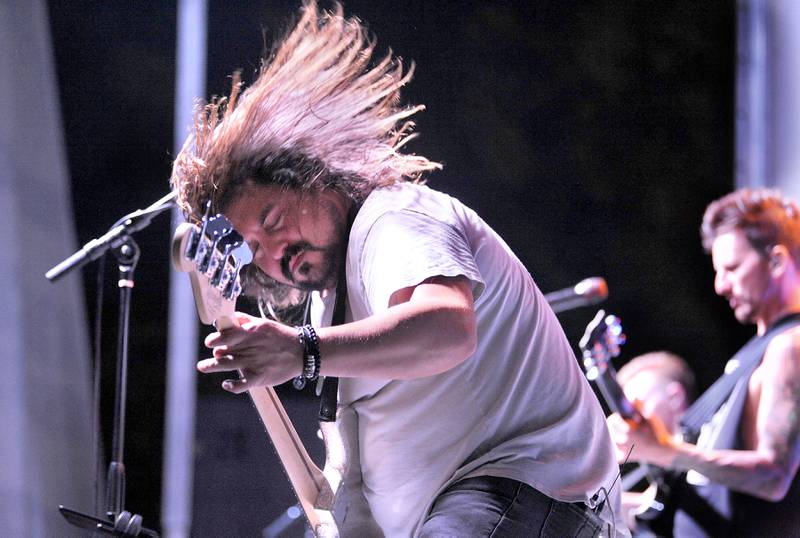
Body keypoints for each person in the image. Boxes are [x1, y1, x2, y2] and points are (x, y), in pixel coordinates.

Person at [170, 2, 627, 536]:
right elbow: (354, 485)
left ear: (312, 176)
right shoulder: (332, 305)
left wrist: (302, 350)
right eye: (253, 248)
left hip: (529, 489)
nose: (274, 251)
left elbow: (447, 328)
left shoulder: (394, 215)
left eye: (271, 218)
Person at [608, 187, 800, 537]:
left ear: (776, 261)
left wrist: (665, 450)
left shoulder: (791, 346)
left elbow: (774, 476)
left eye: (732, 268)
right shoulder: (757, 353)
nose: (719, 285)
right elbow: (702, 488)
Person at [613, 351, 696, 536]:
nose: (632, 421)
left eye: (638, 407)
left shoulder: (713, 440)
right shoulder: (642, 474)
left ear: (675, 397)